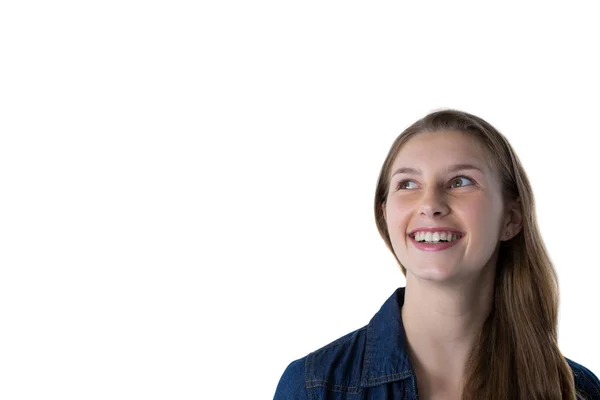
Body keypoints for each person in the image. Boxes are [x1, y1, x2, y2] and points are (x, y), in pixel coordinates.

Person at [273, 109, 600, 399]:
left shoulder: (575, 389)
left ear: (511, 218)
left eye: (460, 181)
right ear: (386, 215)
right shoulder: (314, 387)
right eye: (408, 184)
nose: (429, 204)